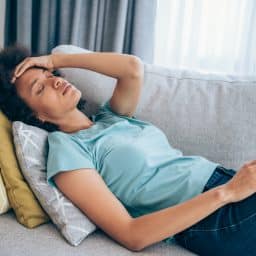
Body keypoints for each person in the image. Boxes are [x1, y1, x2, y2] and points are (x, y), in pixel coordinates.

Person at [0, 44, 256, 255]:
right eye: (40, 88)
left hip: (228, 180)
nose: (55, 82)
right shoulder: (67, 150)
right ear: (36, 116)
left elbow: (132, 68)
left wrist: (55, 59)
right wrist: (227, 193)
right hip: (212, 217)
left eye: (50, 75)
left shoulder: (110, 118)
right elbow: (131, 234)